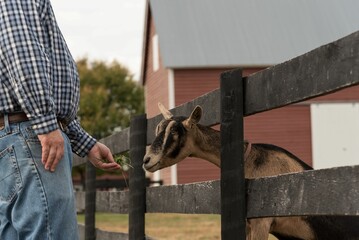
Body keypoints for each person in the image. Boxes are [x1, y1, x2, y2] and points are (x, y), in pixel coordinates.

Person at [0, 0, 122, 239]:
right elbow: (22, 51)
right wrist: (45, 123)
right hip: (29, 137)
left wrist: (84, 142)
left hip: (15, 135)